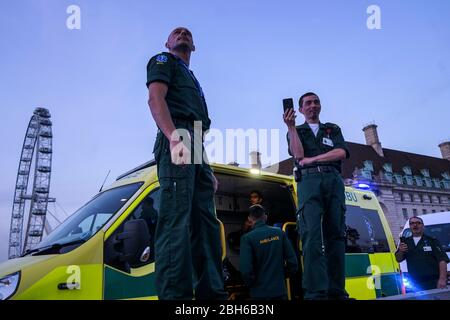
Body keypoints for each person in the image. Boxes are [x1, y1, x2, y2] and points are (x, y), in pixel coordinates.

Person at [146, 27, 226, 300]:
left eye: (188, 33)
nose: (183, 34)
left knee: (206, 223)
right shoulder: (163, 61)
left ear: (194, 47)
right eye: (176, 33)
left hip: (196, 145)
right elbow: (155, 98)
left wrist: (206, 167)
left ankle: (211, 294)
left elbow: (198, 129)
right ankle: (175, 298)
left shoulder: (191, 77)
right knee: (176, 219)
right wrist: (172, 136)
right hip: (178, 135)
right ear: (167, 43)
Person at [283, 92, 350, 300]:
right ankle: (315, 291)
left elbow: (341, 152)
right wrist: (291, 127)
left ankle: (336, 290)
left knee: (336, 235)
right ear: (301, 110)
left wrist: (315, 159)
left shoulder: (332, 129)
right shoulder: (297, 130)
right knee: (311, 234)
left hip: (333, 180)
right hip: (309, 182)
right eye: (308, 103)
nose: (313, 105)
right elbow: (298, 155)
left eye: (316, 102)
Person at [239, 204, 298, 300]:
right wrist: (282, 276)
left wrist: (253, 285)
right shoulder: (279, 233)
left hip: (259, 294)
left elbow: (245, 270)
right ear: (265, 217)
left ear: (250, 219)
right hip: (280, 291)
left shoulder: (247, 238)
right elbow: (293, 262)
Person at [395, 216, 449, 291]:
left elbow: (442, 260)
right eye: (412, 223)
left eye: (418, 223)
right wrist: (401, 250)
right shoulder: (405, 242)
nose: (415, 225)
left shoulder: (432, 241)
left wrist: (442, 279)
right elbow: (398, 259)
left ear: (423, 226)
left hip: (432, 282)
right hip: (414, 283)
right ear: (410, 226)